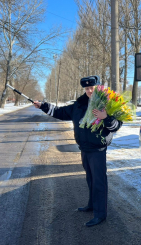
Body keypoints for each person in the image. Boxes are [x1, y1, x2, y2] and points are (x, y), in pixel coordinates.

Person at [33, 75, 122, 227]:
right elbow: (60, 112)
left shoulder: (107, 103)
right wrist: (43, 106)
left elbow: (116, 125)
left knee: (99, 181)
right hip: (84, 148)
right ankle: (92, 205)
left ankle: (100, 214)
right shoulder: (79, 104)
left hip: (97, 149)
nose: (89, 90)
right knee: (90, 179)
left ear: (98, 87)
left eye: (92, 87)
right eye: (86, 88)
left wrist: (105, 117)